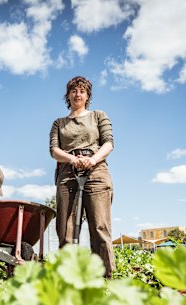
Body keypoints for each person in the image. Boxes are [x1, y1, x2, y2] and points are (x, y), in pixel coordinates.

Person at [49, 76, 116, 278]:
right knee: (65, 229)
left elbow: (109, 143)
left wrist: (92, 159)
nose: (77, 94)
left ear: (87, 96)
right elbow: (53, 150)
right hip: (68, 173)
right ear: (68, 96)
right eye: (74, 91)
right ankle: (68, 279)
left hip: (96, 171)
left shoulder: (98, 116)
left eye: (82, 91)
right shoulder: (59, 123)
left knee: (99, 227)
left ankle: (105, 279)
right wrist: (72, 159)